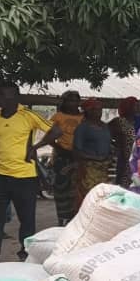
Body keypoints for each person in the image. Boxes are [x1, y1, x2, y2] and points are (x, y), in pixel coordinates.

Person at [0, 82, 62, 264]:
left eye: (2, 95)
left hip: (25, 177)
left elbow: (56, 130)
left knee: (27, 221)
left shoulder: (28, 116)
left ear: (14, 97)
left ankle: (26, 257)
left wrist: (36, 147)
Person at [49, 90, 83, 226]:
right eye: (70, 100)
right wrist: (60, 149)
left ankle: (75, 220)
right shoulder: (58, 117)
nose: (73, 103)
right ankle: (61, 219)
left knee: (77, 189)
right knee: (61, 188)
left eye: (76, 100)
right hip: (61, 156)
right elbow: (49, 137)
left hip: (80, 157)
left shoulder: (84, 118)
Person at [73, 98, 113, 208]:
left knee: (102, 197)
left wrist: (109, 155)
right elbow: (76, 151)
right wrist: (96, 158)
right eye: (95, 109)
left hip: (103, 169)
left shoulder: (105, 126)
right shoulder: (83, 128)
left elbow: (108, 144)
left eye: (100, 109)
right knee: (88, 197)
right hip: (88, 170)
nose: (98, 112)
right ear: (88, 111)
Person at [109, 96, 138, 187]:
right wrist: (115, 146)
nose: (138, 107)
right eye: (135, 105)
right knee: (124, 182)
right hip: (125, 158)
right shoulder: (118, 122)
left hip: (139, 158)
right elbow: (105, 134)